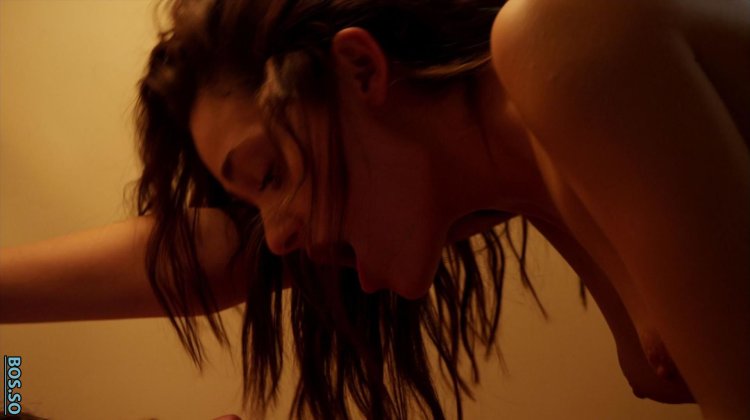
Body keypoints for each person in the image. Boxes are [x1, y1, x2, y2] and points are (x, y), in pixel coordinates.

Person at [1, 0, 747, 419]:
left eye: (268, 174)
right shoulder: (529, 175)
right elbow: (221, 250)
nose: (279, 235)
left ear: (360, 68)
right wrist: (9, 389)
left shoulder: (557, 39)